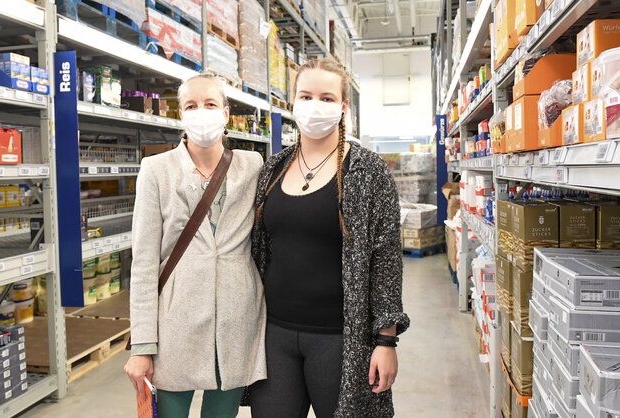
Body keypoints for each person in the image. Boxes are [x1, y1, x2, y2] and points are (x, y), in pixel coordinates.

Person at [248, 58, 410, 418]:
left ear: (342, 106)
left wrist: (385, 340)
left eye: (326, 97)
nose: (314, 106)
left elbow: (385, 261)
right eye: (305, 96)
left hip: (340, 338)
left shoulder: (367, 170)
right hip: (275, 334)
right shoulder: (273, 169)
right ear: (292, 102)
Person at [124, 74, 267, 418]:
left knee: (222, 413)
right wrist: (142, 345)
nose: (201, 112)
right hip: (176, 323)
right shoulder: (156, 170)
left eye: (210, 104)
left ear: (226, 113)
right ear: (180, 115)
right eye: (191, 105)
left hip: (237, 321)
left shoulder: (253, 166)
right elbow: (143, 264)